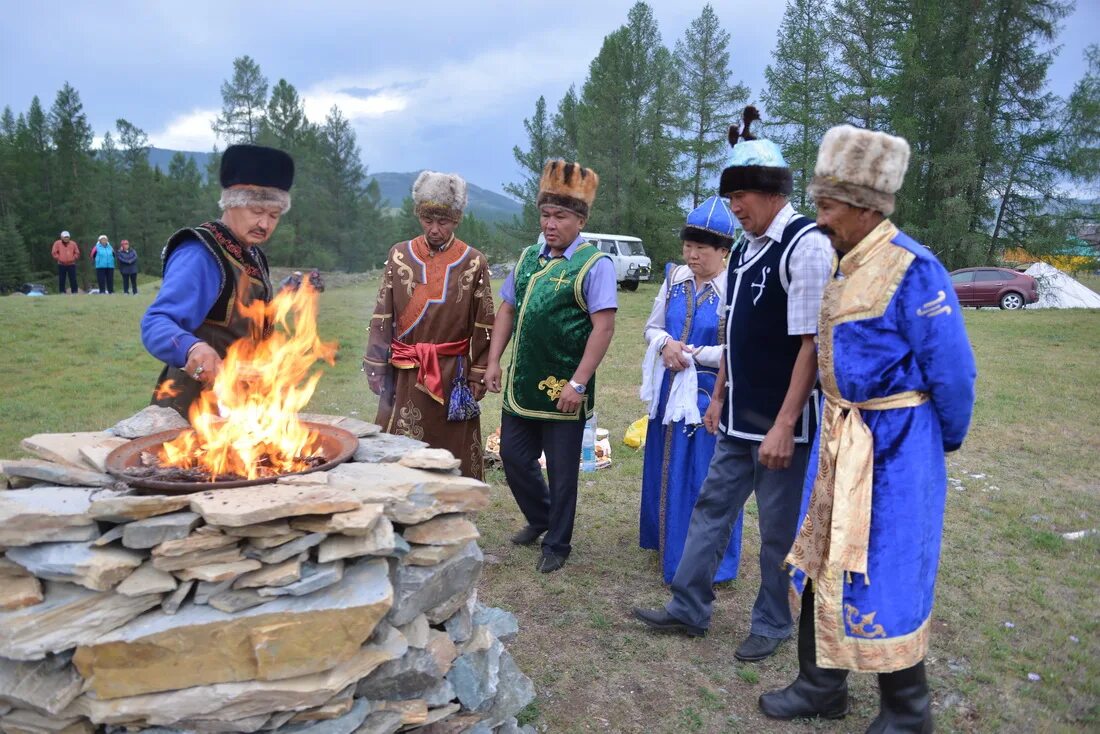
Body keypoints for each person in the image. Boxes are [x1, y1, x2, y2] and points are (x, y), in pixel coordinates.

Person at [759, 127, 977, 733]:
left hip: (897, 451)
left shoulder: (914, 268)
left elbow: (953, 373)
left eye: (827, 207)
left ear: (863, 206)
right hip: (840, 439)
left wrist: (935, 445)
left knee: (886, 568)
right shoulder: (840, 262)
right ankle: (820, 685)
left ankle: (909, 713)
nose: (819, 218)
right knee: (820, 554)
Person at [633, 106, 834, 662]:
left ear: (769, 191)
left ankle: (772, 622)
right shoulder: (746, 248)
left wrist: (786, 424)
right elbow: (735, 333)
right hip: (737, 416)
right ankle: (688, 607)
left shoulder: (805, 244)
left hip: (781, 429)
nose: (733, 209)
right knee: (710, 509)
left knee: (775, 531)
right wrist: (718, 394)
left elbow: (812, 346)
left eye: (739, 197)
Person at [484, 159, 616, 574]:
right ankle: (541, 518)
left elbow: (603, 327)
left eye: (560, 216)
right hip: (522, 385)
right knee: (513, 456)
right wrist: (493, 361)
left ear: (580, 219)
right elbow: (506, 309)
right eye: (545, 214)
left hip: (565, 387)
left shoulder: (595, 265)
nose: (550, 223)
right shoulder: (527, 258)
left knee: (562, 473)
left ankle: (558, 543)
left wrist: (578, 383)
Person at [141, 143, 294, 418]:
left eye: (274, 216)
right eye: (257, 211)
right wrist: (193, 348)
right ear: (231, 203)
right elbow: (156, 322)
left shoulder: (253, 255)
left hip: (240, 408)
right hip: (193, 411)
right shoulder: (200, 253)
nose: (265, 224)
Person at [363, 171, 495, 480]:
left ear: (458, 219)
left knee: (451, 445)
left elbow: (484, 321)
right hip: (404, 371)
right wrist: (375, 365)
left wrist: (478, 372)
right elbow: (382, 313)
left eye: (444, 222)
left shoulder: (474, 261)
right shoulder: (399, 254)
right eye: (427, 220)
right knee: (399, 448)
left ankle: (452, 507)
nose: (434, 230)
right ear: (418, 215)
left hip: (453, 373)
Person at [639, 196, 743, 585]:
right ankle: (666, 544)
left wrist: (696, 353)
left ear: (723, 251)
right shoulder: (673, 280)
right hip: (670, 392)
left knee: (704, 476)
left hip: (708, 394)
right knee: (666, 466)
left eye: (702, 248)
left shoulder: (735, 289)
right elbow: (652, 327)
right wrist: (665, 345)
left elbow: (739, 346)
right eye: (688, 246)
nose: (692, 254)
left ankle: (710, 561)